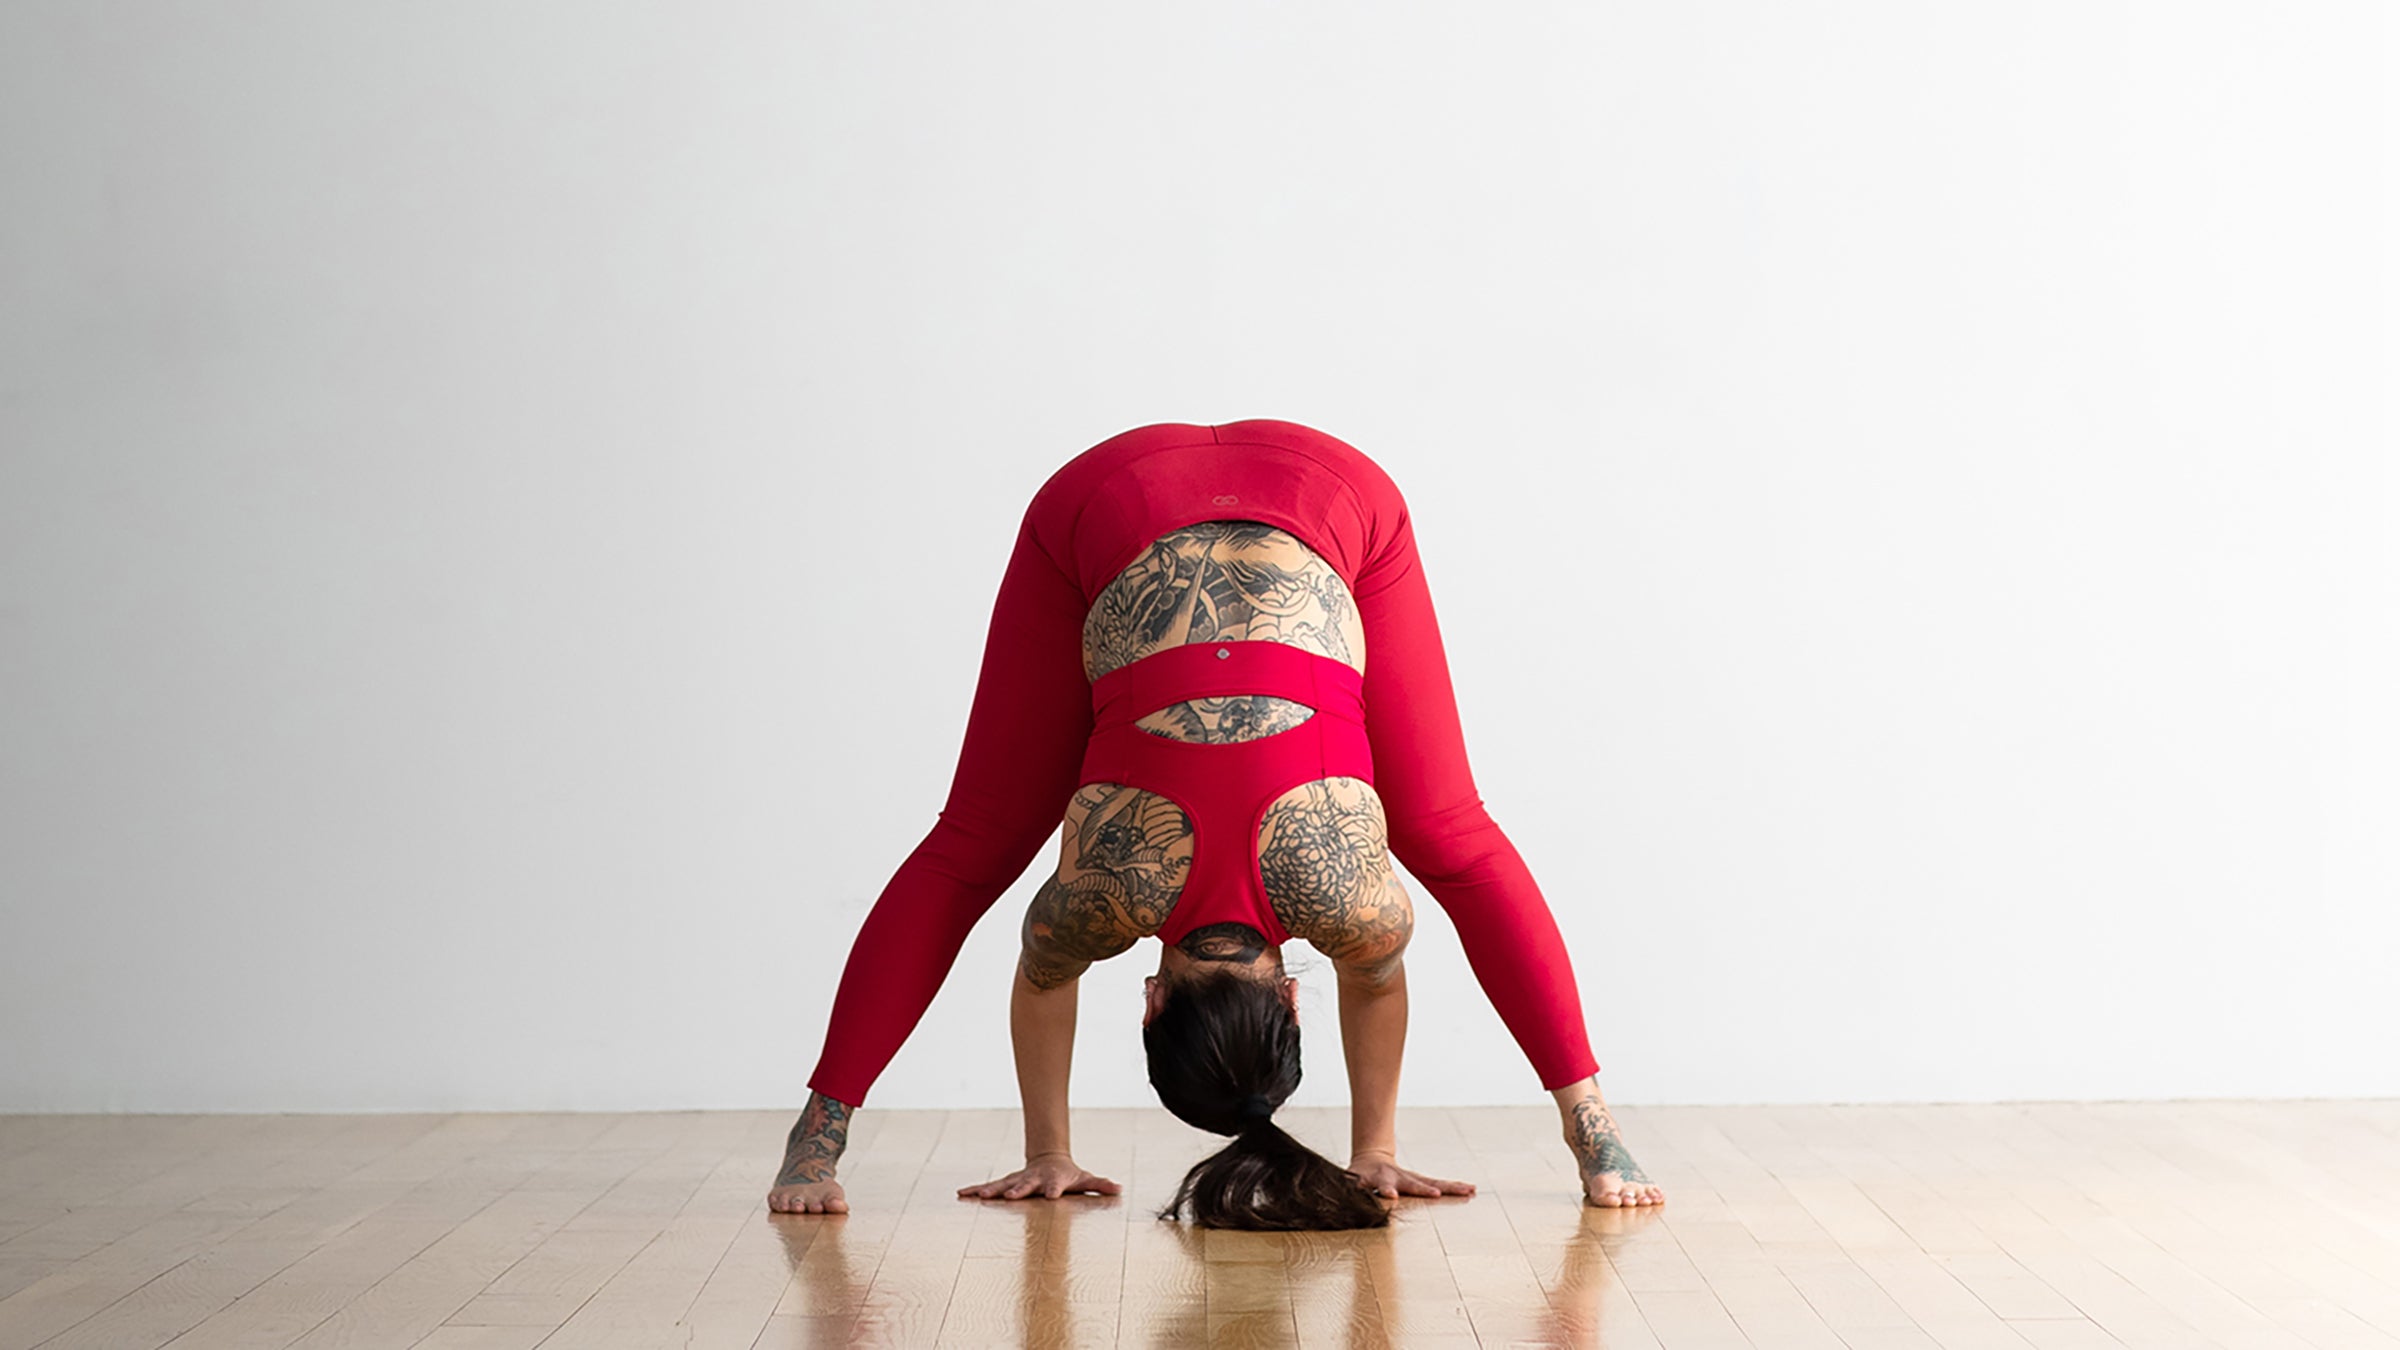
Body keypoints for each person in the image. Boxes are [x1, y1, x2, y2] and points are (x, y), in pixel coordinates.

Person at [767, 419, 1665, 1227]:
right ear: (1152, 1002)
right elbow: (1045, 979)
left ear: (1290, 998)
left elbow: (1375, 978)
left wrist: (1374, 1154)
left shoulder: (1352, 906)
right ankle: (813, 1144)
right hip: (1113, 499)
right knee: (974, 846)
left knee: (1449, 836)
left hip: (1330, 490)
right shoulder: (1099, 901)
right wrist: (1048, 1154)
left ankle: (1598, 1138)